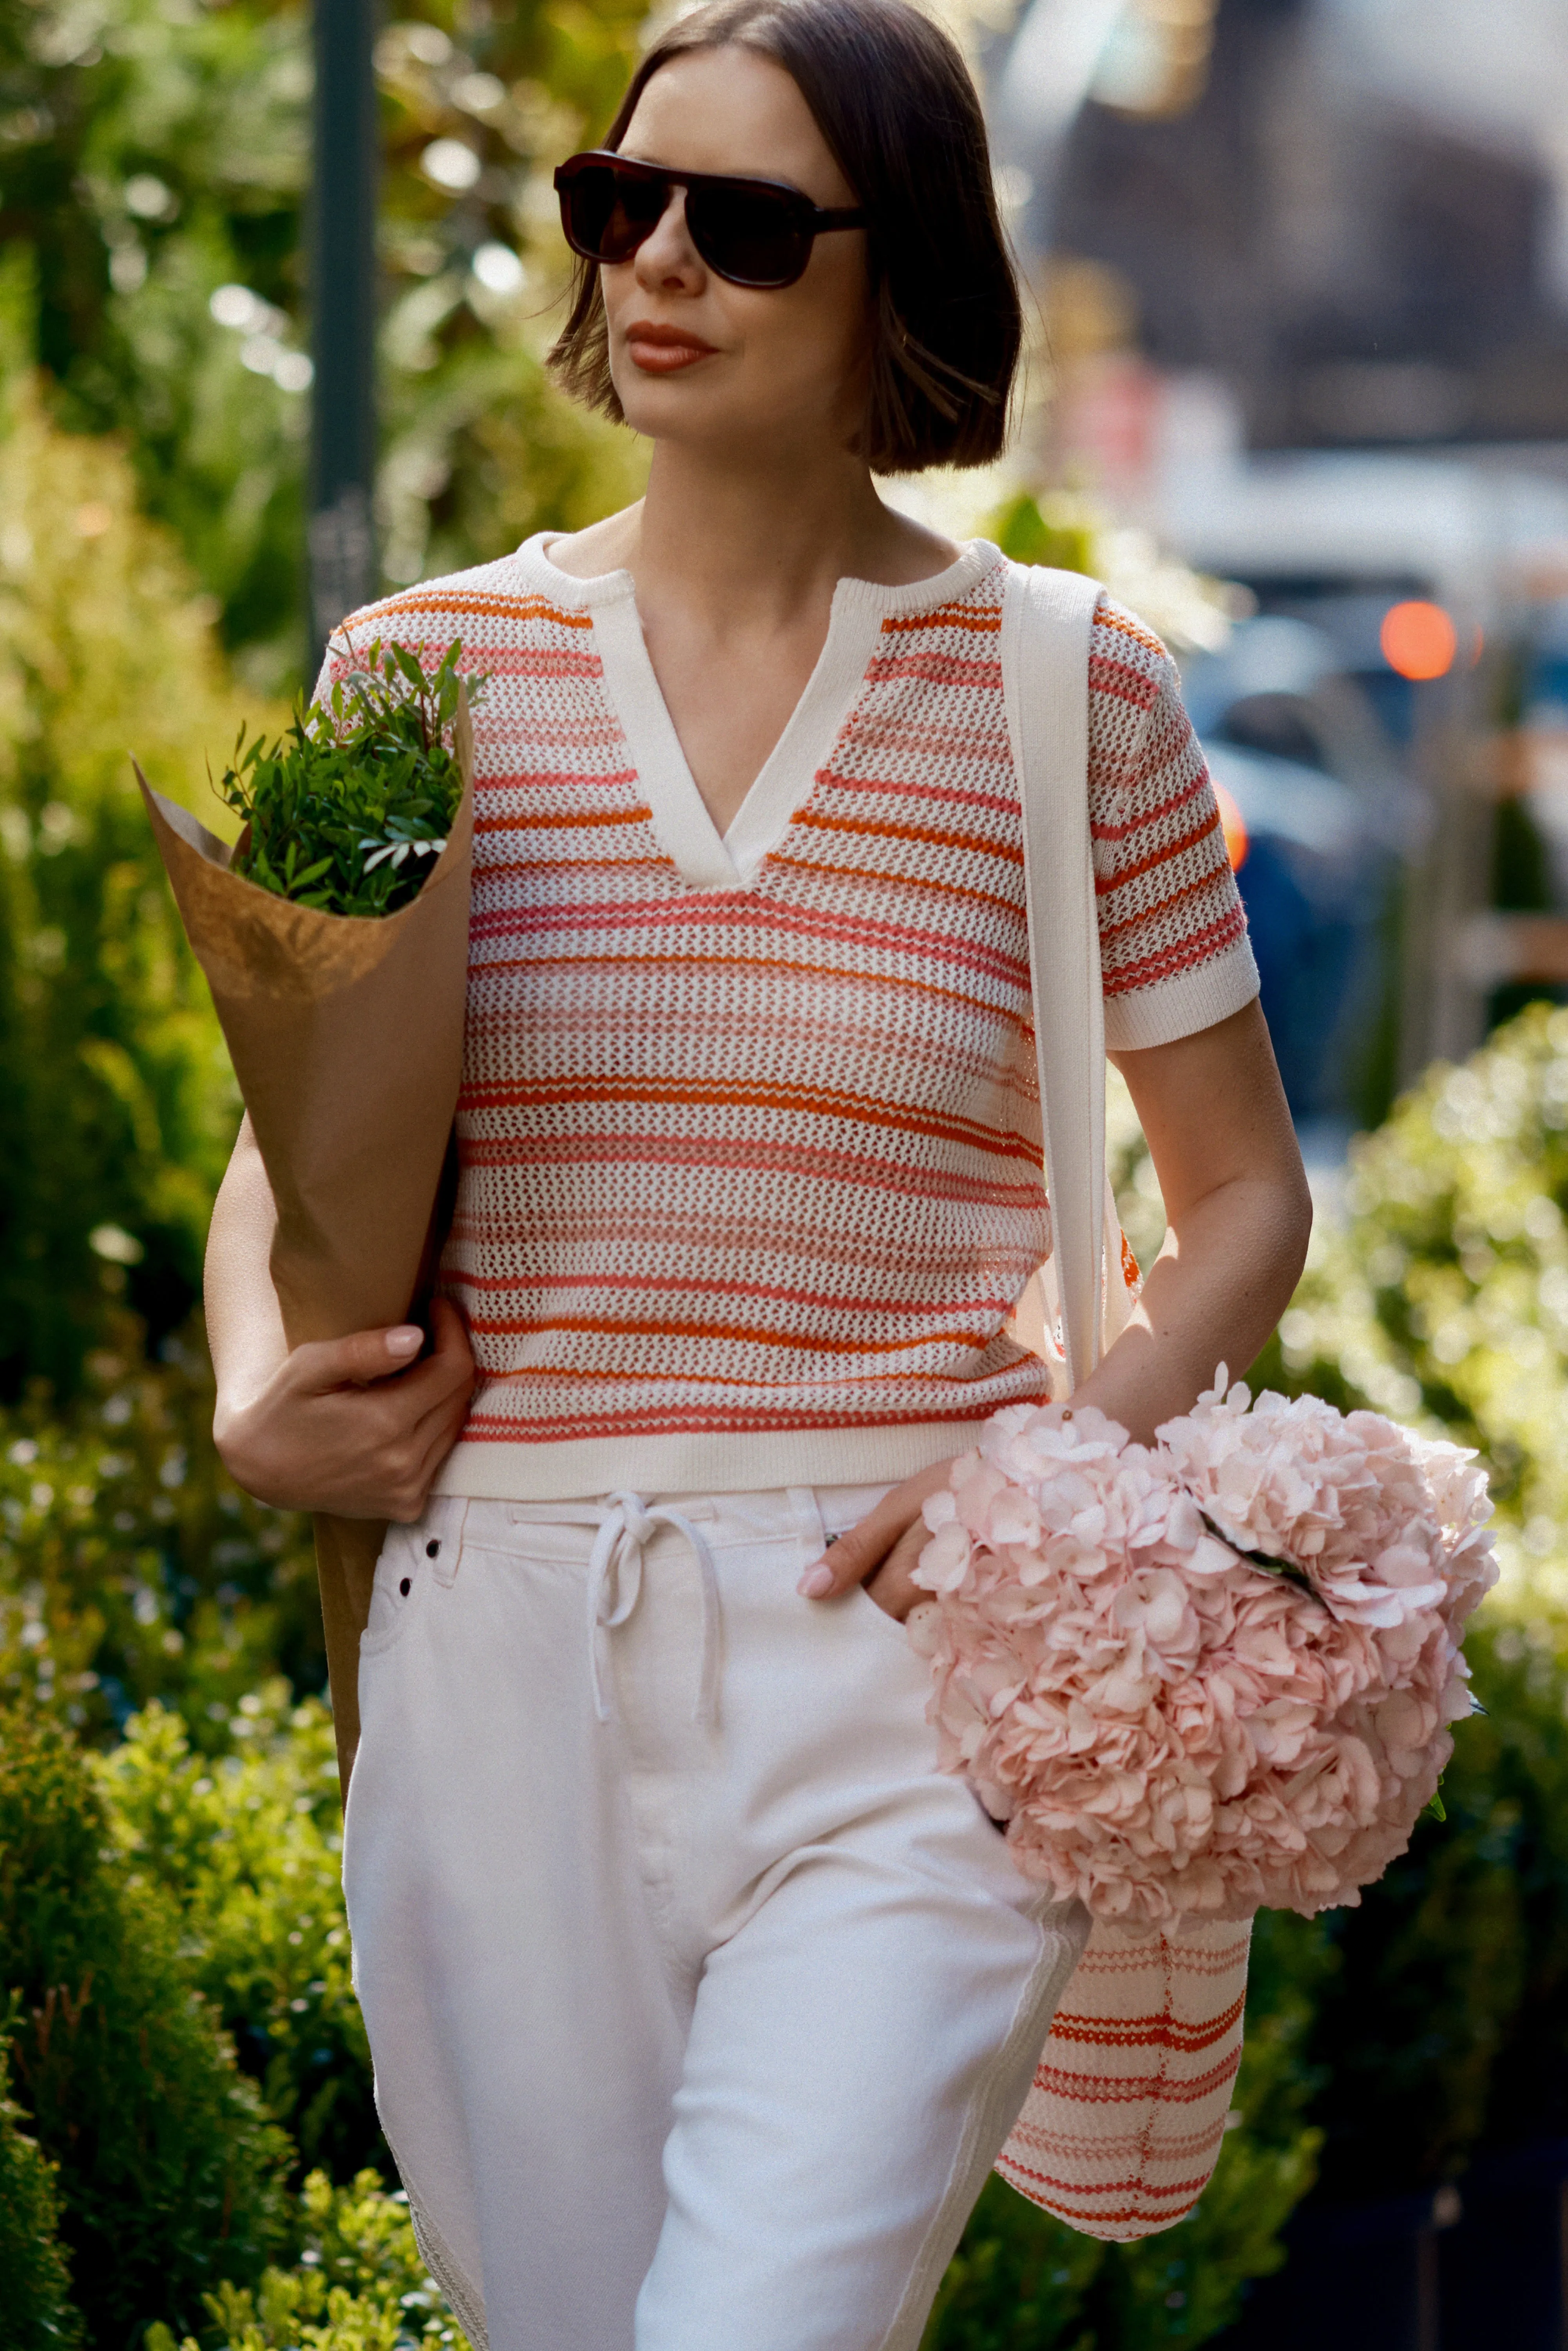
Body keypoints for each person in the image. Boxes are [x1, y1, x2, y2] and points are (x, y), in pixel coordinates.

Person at [205, 0, 1311, 2342]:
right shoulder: (427, 677)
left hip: (911, 1664)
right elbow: (282, 1148)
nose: (659, 263)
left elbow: (1245, 1202)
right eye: (623, 203)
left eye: (745, 222)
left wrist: (1054, 1487)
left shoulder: (1067, 688)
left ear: (896, 276)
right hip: (495, 1639)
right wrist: (249, 1394)